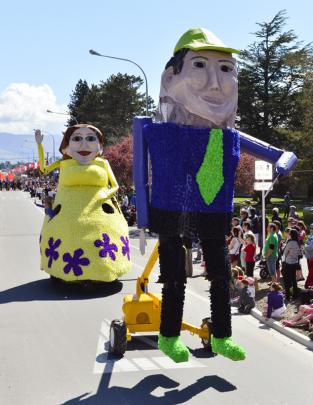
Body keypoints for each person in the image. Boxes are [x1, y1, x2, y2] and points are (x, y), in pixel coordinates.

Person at [133, 27, 296, 363]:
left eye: (225, 70)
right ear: (170, 78)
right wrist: (144, 217)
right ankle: (168, 337)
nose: (216, 83)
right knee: (174, 277)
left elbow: (279, 153)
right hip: (170, 206)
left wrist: (284, 161)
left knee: (221, 274)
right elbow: (138, 170)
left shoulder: (230, 136)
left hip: (213, 207)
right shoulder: (157, 132)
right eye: (199, 66)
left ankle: (221, 335)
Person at [34, 125, 131, 282]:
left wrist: (105, 194)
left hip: (100, 210)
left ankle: (106, 269)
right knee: (65, 237)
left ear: (99, 145)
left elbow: (115, 186)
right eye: (77, 139)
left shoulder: (103, 163)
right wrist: (40, 145)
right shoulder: (64, 163)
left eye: (91, 139)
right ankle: (61, 270)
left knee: (104, 240)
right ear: (66, 145)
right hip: (66, 213)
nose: (84, 144)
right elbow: (43, 170)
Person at [281, 229, 301, 301]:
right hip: (294, 262)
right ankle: (295, 295)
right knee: (293, 279)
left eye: (289, 233)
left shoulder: (290, 242)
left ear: (291, 235)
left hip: (287, 263)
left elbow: (285, 253)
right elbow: (299, 254)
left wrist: (282, 262)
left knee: (286, 280)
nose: (288, 234)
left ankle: (287, 296)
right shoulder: (298, 243)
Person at [304, 223, 313, 289]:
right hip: (309, 257)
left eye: (312, 228)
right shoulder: (310, 236)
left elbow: (310, 247)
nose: (311, 229)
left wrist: (305, 246)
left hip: (311, 257)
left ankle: (307, 284)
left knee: (311, 272)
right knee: (310, 271)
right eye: (310, 228)